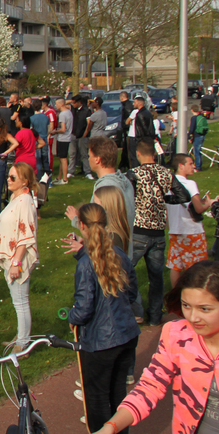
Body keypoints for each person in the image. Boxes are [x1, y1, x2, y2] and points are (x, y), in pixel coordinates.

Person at [91, 260, 219, 434]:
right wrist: (111, 427)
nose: (193, 317)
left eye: (205, 309)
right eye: (186, 306)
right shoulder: (176, 334)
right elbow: (151, 385)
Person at [65, 203, 139, 434]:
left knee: (96, 399)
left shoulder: (87, 264)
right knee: (118, 394)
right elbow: (132, 292)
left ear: (82, 226)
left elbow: (84, 307)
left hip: (101, 342)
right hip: (126, 335)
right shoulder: (118, 254)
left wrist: (71, 316)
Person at [126, 138, 191, 326]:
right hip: (159, 233)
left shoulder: (134, 174)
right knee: (156, 278)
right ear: (154, 155)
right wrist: (163, 200)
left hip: (139, 230)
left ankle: (137, 310)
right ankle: (155, 316)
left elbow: (128, 197)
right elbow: (183, 195)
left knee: (126, 271)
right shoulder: (166, 173)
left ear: (138, 154)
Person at [0, 162, 40, 350]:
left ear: (25, 181)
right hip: (12, 257)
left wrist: (16, 262)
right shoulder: (15, 197)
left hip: (17, 259)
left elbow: (25, 235)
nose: (8, 180)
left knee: (21, 302)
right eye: (8, 176)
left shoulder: (25, 201)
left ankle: (23, 343)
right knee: (17, 301)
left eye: (13, 177)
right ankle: (21, 336)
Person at [65, 137, 135, 234]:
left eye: (90, 156)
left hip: (110, 247)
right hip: (124, 247)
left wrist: (76, 219)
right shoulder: (125, 181)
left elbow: (98, 227)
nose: (88, 159)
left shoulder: (105, 188)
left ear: (97, 159)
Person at [167, 154, 214, 287]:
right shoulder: (190, 184)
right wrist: (209, 203)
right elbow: (198, 208)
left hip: (175, 230)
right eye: (191, 163)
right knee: (197, 268)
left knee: (175, 266)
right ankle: (195, 293)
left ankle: (176, 296)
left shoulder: (167, 184)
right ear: (181, 166)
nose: (194, 166)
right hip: (191, 231)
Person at [126, 96, 154, 169]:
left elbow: (143, 127)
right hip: (147, 138)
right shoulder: (148, 112)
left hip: (138, 138)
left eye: (135, 102)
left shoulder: (139, 114)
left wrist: (141, 138)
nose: (133, 104)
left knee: (134, 157)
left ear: (139, 103)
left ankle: (135, 171)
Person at [52, 98, 73, 185]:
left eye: (56, 104)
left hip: (63, 138)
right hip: (66, 138)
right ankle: (59, 176)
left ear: (61, 104)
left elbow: (63, 129)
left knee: (63, 158)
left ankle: (65, 178)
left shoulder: (62, 114)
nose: (55, 105)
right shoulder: (69, 112)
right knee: (61, 158)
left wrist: (55, 131)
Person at [30, 99, 52, 180]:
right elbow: (49, 128)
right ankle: (48, 179)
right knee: (45, 159)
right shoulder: (45, 117)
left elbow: (31, 129)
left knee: (38, 160)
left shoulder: (32, 118)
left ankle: (39, 178)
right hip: (45, 138)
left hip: (37, 140)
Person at [190, 104, 210, 171]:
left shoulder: (193, 118)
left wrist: (189, 136)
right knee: (199, 151)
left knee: (197, 152)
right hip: (202, 135)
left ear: (192, 110)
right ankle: (198, 165)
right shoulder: (200, 117)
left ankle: (198, 167)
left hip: (197, 136)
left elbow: (192, 129)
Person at [117, 91, 134, 171]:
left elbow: (128, 118)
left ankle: (124, 164)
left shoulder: (127, 106)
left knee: (126, 147)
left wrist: (125, 127)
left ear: (122, 97)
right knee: (125, 147)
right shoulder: (127, 105)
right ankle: (124, 164)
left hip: (127, 130)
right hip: (126, 129)